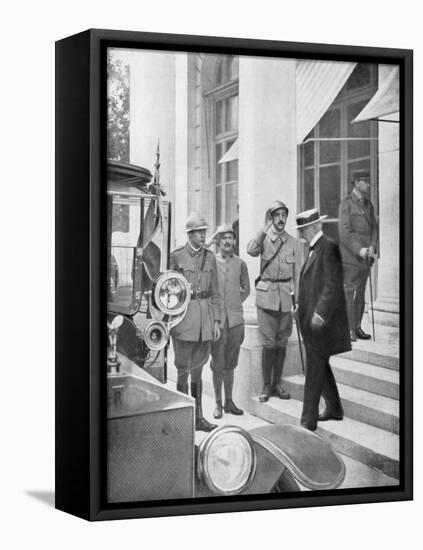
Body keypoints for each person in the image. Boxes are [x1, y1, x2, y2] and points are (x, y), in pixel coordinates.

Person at [292, 208, 351, 431]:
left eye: (303, 229)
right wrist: (299, 306)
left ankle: (307, 422)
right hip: (309, 320)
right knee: (320, 365)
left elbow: (332, 286)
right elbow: (310, 285)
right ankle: (335, 409)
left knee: (314, 370)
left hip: (322, 323)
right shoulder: (312, 249)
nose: (301, 234)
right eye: (300, 230)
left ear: (315, 226)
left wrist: (320, 314)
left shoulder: (329, 247)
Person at [169, 212, 221, 432]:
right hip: (183, 320)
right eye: (199, 232)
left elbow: (216, 291)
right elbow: (168, 289)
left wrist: (216, 321)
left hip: (205, 321)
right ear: (189, 234)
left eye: (204, 232)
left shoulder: (210, 257)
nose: (203, 235)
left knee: (199, 369)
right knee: (183, 368)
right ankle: (182, 420)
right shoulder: (177, 256)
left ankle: (198, 417)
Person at [247, 200, 302, 402]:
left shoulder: (293, 242)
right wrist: (263, 230)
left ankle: (277, 383)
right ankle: (266, 385)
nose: (281, 219)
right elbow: (250, 250)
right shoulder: (264, 239)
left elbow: (298, 274)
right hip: (266, 297)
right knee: (269, 343)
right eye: (276, 216)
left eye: (283, 215)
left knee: (281, 342)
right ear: (271, 218)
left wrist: (298, 301)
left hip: (286, 298)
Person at [210, 224, 250, 419]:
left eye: (231, 238)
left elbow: (246, 289)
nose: (227, 241)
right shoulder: (211, 261)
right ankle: (217, 403)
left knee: (231, 362)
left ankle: (229, 401)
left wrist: (233, 304)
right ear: (218, 241)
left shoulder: (241, 264)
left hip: (235, 321)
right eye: (224, 238)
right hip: (218, 322)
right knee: (218, 362)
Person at [338, 170, 378, 341]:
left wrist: (372, 247)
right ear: (356, 183)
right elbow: (344, 232)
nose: (368, 184)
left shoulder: (368, 205)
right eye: (365, 181)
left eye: (368, 181)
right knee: (349, 293)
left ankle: (357, 327)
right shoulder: (346, 204)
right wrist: (359, 250)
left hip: (366, 258)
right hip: (351, 258)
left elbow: (374, 228)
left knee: (361, 294)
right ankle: (347, 330)